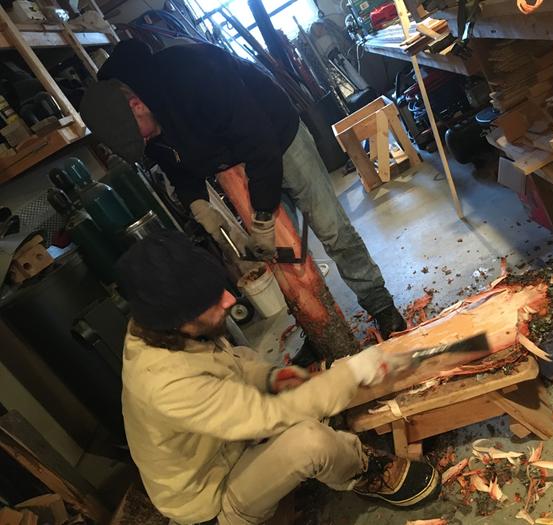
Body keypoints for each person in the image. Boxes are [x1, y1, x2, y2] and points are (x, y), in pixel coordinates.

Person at [79, 39, 407, 339]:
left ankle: (381, 306)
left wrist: (263, 214)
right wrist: (197, 203)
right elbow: (173, 164)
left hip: (277, 136)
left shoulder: (191, 72)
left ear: (137, 104)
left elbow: (259, 142)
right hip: (230, 159)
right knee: (281, 256)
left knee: (331, 228)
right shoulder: (141, 126)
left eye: (144, 136)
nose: (147, 142)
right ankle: (319, 326)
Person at [116, 231, 439, 525]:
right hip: (212, 501)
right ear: (178, 319)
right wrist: (350, 374)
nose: (230, 299)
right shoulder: (165, 383)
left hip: (228, 447)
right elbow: (271, 417)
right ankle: (363, 473)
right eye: (212, 300)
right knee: (309, 440)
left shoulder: (169, 330)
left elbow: (234, 363)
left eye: (219, 290)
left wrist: (274, 377)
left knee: (259, 368)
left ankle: (328, 445)